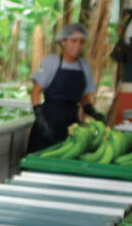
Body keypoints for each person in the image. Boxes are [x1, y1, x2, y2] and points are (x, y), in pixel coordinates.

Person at [27, 23, 106, 153]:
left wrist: (92, 112)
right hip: (48, 121)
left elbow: (84, 97)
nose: (77, 45)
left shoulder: (84, 66)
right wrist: (40, 119)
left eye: (81, 42)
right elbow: (35, 92)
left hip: (71, 125)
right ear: (63, 41)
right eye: (73, 41)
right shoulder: (50, 62)